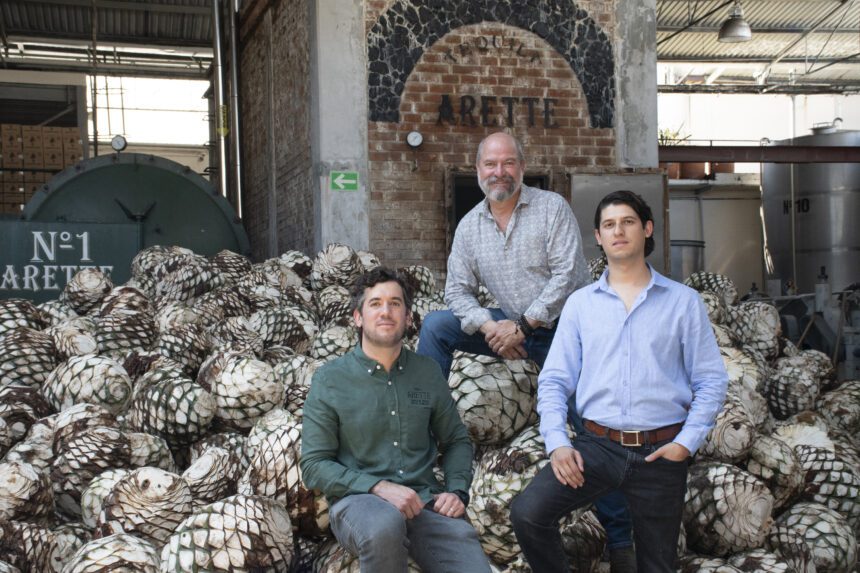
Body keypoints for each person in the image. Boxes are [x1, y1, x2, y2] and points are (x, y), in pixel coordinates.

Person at [417, 131, 636, 568]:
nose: (499, 172)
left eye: (508, 163)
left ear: (522, 166)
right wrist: (491, 325)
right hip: (508, 324)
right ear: (478, 171)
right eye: (490, 165)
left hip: (563, 330)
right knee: (438, 325)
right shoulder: (469, 226)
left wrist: (522, 326)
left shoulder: (551, 209)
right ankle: (424, 423)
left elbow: (566, 278)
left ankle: (622, 538)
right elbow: (457, 292)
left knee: (587, 421)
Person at [510, 190, 729, 572]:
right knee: (529, 514)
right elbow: (554, 380)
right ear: (598, 237)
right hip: (597, 448)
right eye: (609, 225)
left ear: (647, 229)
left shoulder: (682, 302)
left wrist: (686, 443)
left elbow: (711, 380)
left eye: (627, 222)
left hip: (661, 452)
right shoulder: (580, 305)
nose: (618, 231)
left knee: (656, 565)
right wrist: (558, 443)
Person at [300, 267, 492, 573]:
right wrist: (378, 487)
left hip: (424, 503)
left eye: (395, 303)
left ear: (408, 317)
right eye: (375, 304)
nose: (385, 312)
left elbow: (456, 440)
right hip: (358, 502)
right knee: (384, 525)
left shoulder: (427, 373)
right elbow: (313, 465)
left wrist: (457, 491)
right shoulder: (330, 380)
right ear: (358, 318)